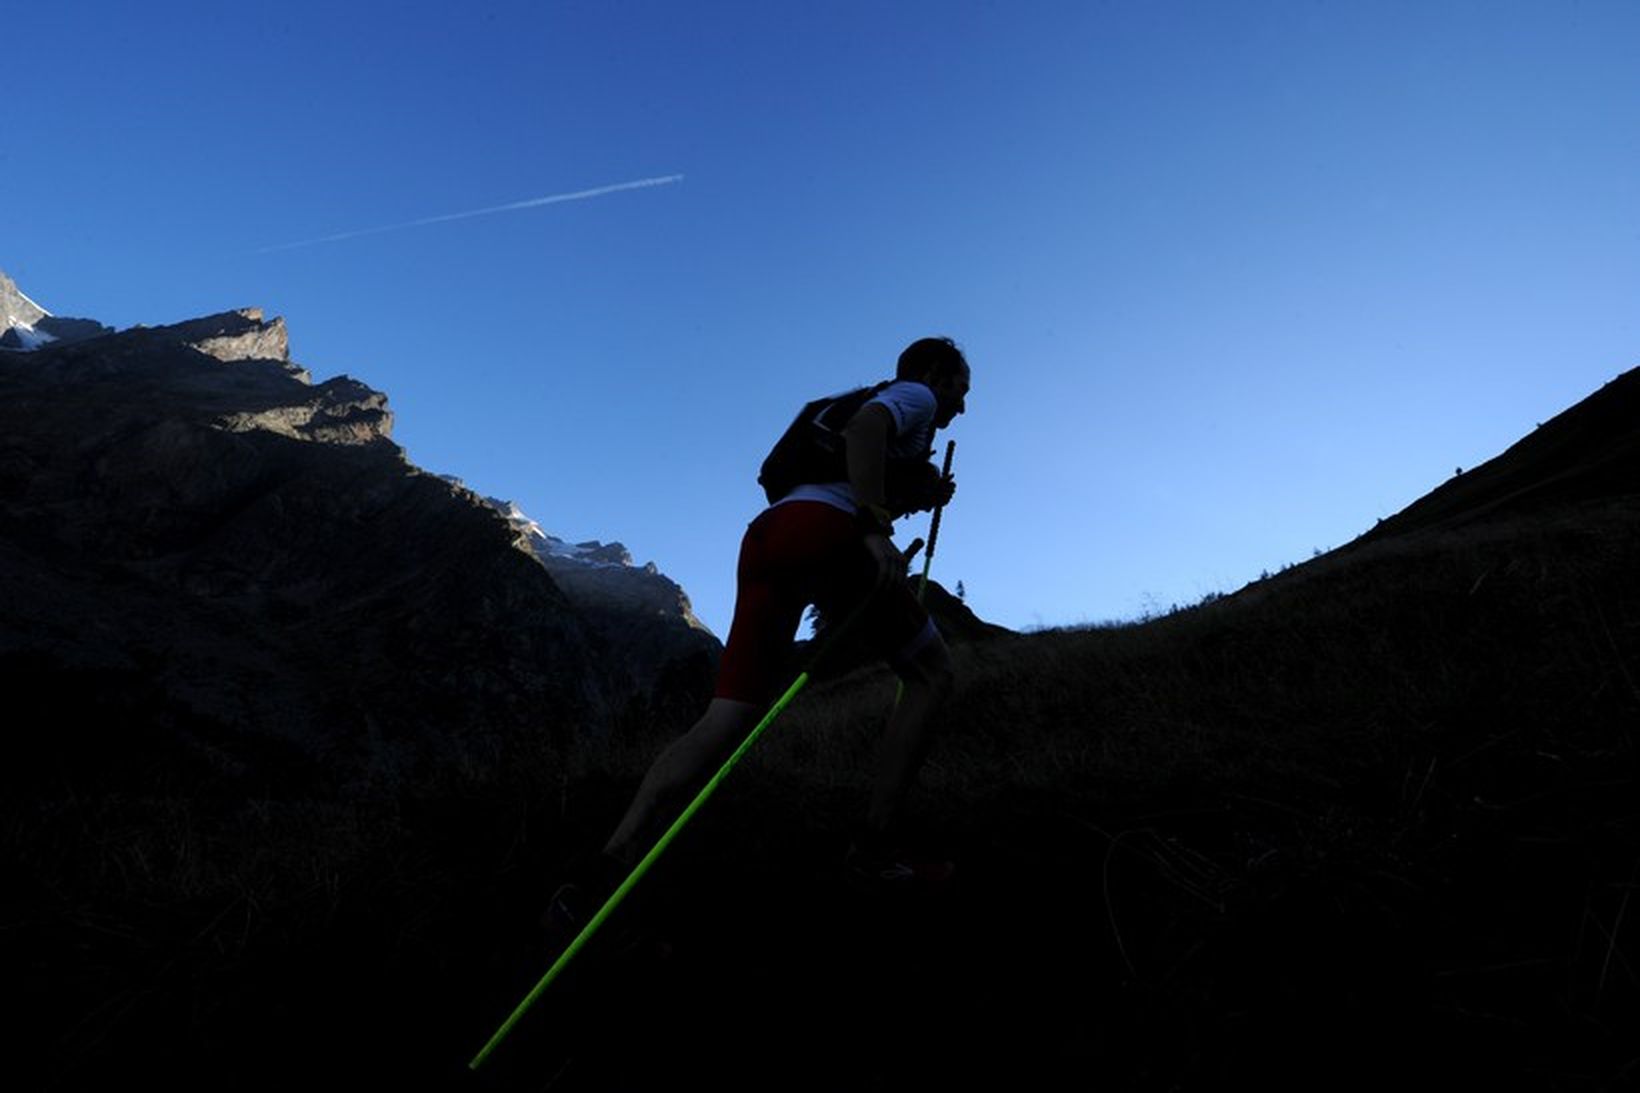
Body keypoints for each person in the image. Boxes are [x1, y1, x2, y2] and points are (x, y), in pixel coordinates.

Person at [546, 336, 971, 935]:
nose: (960, 405)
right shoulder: (913, 395)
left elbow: (845, 455)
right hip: (829, 533)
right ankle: (873, 854)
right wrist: (875, 526)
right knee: (932, 675)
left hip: (770, 537)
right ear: (933, 373)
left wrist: (916, 492)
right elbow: (867, 433)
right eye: (959, 387)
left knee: (728, 715)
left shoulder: (839, 403)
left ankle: (607, 863)